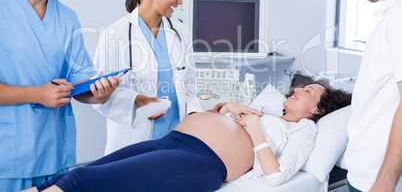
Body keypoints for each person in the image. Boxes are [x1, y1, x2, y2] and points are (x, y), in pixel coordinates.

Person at [23, 81, 351, 192]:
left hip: (201, 161)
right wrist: (227, 108)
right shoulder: (269, 114)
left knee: (81, 181)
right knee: (72, 176)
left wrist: (252, 128)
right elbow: (215, 117)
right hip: (173, 141)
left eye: (306, 91)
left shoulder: (303, 129)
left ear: (317, 111)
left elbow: (277, 175)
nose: (296, 89)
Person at [0, 0, 121, 191]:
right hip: (8, 157)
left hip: (55, 154)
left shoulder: (67, 18)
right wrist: (36, 94)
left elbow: (80, 86)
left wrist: (99, 93)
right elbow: (41, 93)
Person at [92, 0, 205, 155]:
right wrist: (137, 101)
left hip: (176, 138)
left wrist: (197, 116)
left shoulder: (181, 32)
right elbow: (99, 95)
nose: (180, 1)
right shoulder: (115, 34)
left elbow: (189, 87)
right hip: (133, 140)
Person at [342, 0, 402, 191]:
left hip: (376, 181)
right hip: (365, 174)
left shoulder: (399, 18)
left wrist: (385, 183)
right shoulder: (390, 16)